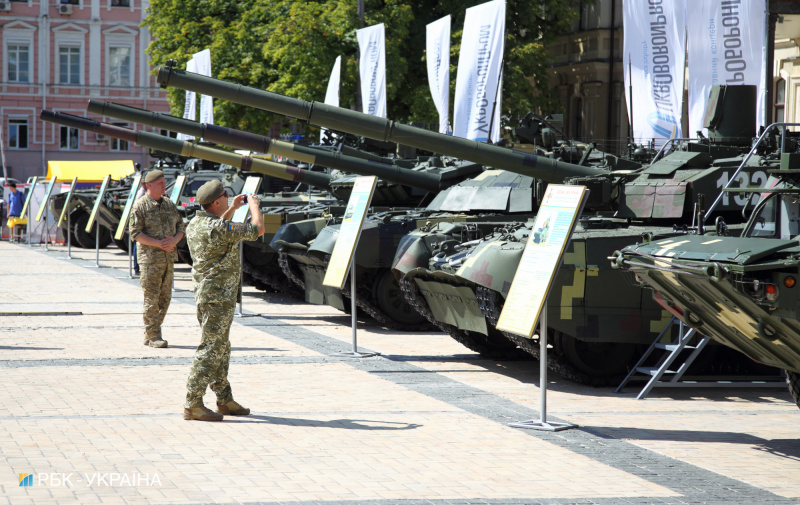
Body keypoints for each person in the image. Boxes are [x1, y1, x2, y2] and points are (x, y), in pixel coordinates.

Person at [183, 180, 264, 422]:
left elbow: (218, 225)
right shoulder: (217, 228)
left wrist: (233, 209)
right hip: (218, 297)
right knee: (211, 349)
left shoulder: (196, 223)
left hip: (209, 294)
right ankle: (192, 402)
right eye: (226, 197)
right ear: (217, 201)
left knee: (221, 347)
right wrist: (254, 206)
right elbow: (257, 229)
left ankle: (224, 399)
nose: (228, 199)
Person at [128, 170, 185, 348]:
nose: (164, 185)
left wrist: (175, 240)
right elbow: (135, 233)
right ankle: (153, 335)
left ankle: (152, 330)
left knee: (165, 298)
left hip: (168, 258)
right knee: (151, 298)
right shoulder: (141, 206)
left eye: (164, 182)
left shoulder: (169, 204)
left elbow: (181, 226)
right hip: (150, 260)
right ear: (148, 185)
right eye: (160, 182)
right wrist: (158, 244)